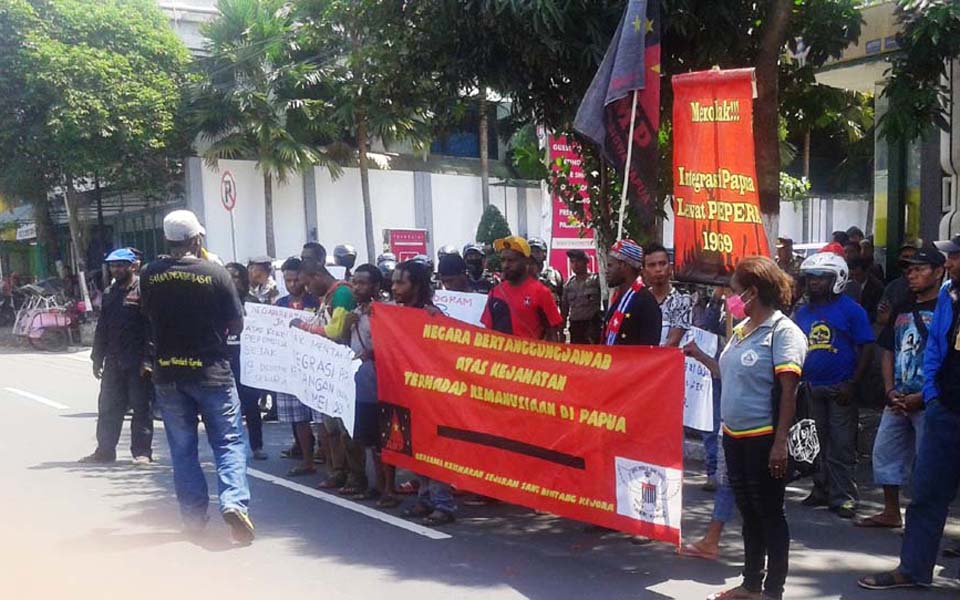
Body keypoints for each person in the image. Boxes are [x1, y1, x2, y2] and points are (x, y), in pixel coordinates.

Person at [141, 209, 253, 543]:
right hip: (212, 373)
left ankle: (192, 517)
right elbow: (237, 322)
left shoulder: (149, 274)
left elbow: (147, 313)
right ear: (196, 239)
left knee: (183, 447)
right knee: (228, 441)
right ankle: (234, 503)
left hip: (169, 374)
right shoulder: (215, 273)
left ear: (167, 240)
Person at [858, 234, 960, 591]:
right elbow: (934, 347)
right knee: (927, 493)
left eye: (955, 258)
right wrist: (931, 394)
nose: (951, 264)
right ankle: (914, 569)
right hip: (944, 409)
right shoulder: (950, 295)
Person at [707, 256, 807, 600]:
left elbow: (788, 394)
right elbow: (729, 374)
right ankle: (751, 584)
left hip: (764, 439)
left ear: (751, 292)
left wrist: (780, 444)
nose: (728, 298)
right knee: (749, 512)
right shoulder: (741, 329)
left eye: (733, 292)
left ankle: (772, 591)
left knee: (770, 515)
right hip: (734, 437)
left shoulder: (783, 333)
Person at [856, 245, 944, 530]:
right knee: (884, 453)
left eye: (919, 269)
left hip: (929, 399)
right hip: (897, 398)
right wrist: (889, 389)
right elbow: (888, 350)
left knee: (929, 463)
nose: (912, 275)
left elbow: (947, 359)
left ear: (939, 272)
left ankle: (925, 520)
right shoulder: (902, 307)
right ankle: (891, 511)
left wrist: (926, 395)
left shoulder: (947, 310)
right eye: (909, 270)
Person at [794, 252, 875, 519]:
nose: (814, 283)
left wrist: (852, 383)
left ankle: (844, 496)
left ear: (837, 279)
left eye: (821, 279)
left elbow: (866, 346)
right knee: (815, 442)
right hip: (810, 386)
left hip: (840, 387)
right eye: (811, 279)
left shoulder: (852, 310)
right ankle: (821, 488)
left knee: (841, 445)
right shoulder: (803, 312)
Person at [392, 259, 457, 525]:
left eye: (400, 282)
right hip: (408, 393)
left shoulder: (433, 315)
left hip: (433, 396)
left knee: (436, 449)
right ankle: (425, 498)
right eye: (393, 281)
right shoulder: (394, 316)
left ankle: (444, 504)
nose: (394, 287)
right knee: (417, 448)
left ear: (416, 285)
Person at [292, 260, 365, 494]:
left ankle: (356, 476)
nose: (307, 290)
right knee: (330, 426)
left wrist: (303, 327)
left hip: (345, 370)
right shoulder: (328, 298)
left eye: (306, 284)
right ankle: (337, 471)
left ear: (316, 276)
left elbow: (335, 331)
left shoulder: (342, 294)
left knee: (345, 428)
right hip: (329, 371)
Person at [82, 248, 153, 465]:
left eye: (121, 265)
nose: (116, 269)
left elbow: (152, 328)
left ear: (133, 266)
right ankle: (104, 451)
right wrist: (96, 358)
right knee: (108, 407)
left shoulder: (143, 291)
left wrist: (149, 359)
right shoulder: (110, 292)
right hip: (113, 360)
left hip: (137, 361)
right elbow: (102, 327)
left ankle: (141, 452)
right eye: (113, 265)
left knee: (141, 407)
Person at [348, 264, 399, 507]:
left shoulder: (389, 310)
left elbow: (396, 344)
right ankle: (377, 485)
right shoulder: (355, 312)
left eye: (362, 283)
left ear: (376, 286)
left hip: (385, 383)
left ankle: (389, 488)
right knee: (370, 439)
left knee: (384, 439)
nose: (357, 287)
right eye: (354, 282)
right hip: (363, 385)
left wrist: (373, 352)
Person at [481, 236, 563, 341]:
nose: (506, 265)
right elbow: (488, 331)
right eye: (503, 260)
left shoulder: (541, 292)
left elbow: (552, 333)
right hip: (502, 356)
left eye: (511, 260)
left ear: (526, 261)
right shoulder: (495, 293)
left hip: (532, 355)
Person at [224, 262, 267, 461]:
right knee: (225, 408)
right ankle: (230, 447)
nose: (232, 280)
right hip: (223, 360)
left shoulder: (253, 302)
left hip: (247, 360)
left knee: (251, 405)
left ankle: (256, 446)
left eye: (235, 276)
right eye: (228, 276)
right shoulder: (216, 302)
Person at [602, 240, 660, 346]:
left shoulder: (646, 301)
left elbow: (649, 350)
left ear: (623, 265)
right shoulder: (618, 298)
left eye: (610, 266)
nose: (606, 271)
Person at [643, 242, 692, 347]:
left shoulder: (682, 299)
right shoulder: (640, 299)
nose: (658, 269)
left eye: (662, 264)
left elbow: (673, 342)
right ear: (643, 271)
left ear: (670, 268)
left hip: (667, 361)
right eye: (652, 265)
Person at [562, 249, 603, 344]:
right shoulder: (568, 285)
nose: (575, 265)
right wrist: (561, 330)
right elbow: (564, 310)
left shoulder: (596, 281)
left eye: (578, 261)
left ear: (586, 262)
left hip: (592, 326)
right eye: (572, 262)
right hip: (575, 327)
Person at [876, 243, 921, 327]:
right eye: (905, 257)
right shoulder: (892, 287)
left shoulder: (926, 286)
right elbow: (881, 318)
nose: (908, 261)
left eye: (912, 257)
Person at [850, 257, 884, 324]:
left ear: (866, 272)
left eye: (858, 275)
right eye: (852, 275)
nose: (855, 278)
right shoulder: (848, 284)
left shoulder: (877, 287)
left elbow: (875, 312)